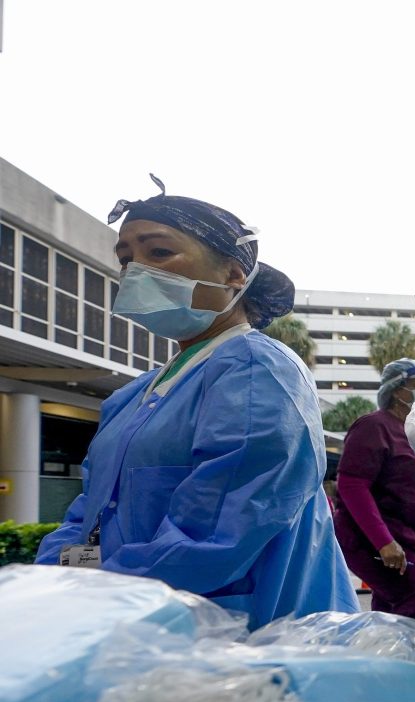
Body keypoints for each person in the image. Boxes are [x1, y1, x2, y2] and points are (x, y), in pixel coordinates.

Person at [36, 178, 357, 628]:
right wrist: (57, 578)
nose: (135, 271)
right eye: (126, 258)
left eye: (159, 253)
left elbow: (219, 534)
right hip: (136, 625)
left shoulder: (256, 370)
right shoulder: (133, 396)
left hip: (246, 638)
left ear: (233, 274)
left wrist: (101, 591)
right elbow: (89, 512)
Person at [332, 359, 415, 625]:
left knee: (389, 617)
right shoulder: (374, 426)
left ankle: (382, 665)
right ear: (396, 391)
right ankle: (407, 665)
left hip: (409, 542)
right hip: (373, 541)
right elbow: (351, 485)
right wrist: (383, 542)